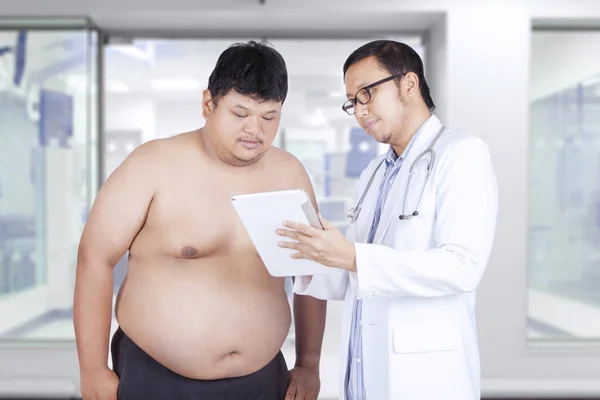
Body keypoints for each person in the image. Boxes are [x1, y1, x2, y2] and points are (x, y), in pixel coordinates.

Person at [73, 41, 326, 400]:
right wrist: (92, 368)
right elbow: (93, 258)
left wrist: (309, 364)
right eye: (240, 114)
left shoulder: (290, 173)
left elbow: (310, 273)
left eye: (269, 117)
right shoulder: (152, 165)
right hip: (158, 377)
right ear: (209, 104)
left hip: (263, 378)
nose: (255, 130)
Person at [276, 40, 498, 400]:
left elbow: (463, 266)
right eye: (352, 101)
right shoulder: (374, 173)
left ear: (408, 84)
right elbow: (354, 274)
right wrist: (304, 257)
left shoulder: (461, 153)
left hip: (425, 379)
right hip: (363, 375)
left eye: (367, 93)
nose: (360, 110)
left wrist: (351, 256)